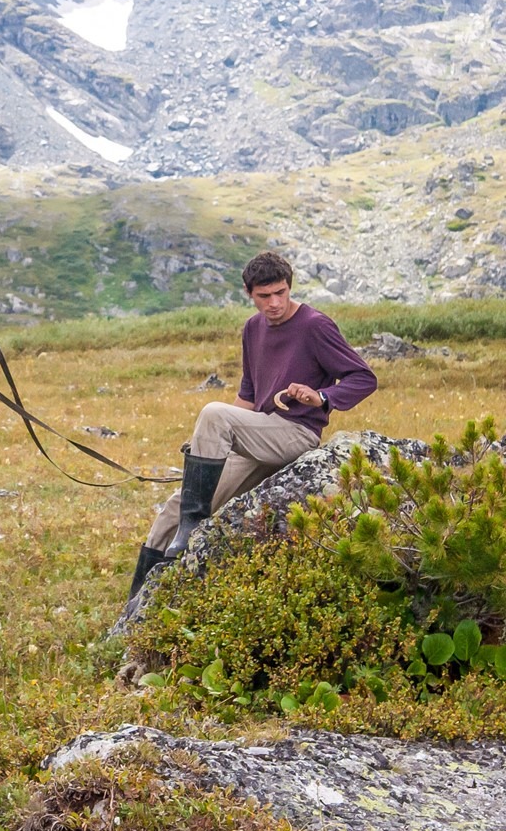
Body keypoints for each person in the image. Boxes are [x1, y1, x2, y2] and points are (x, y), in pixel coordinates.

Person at [127, 251, 377, 599]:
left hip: (295, 434)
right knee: (175, 508)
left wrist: (321, 397)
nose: (274, 303)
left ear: (289, 287)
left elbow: (364, 378)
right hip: (259, 434)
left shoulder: (315, 325)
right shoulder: (252, 328)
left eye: (281, 292)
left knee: (213, 414)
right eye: (265, 295)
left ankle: (191, 529)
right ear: (249, 293)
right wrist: (208, 440)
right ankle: (137, 603)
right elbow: (247, 394)